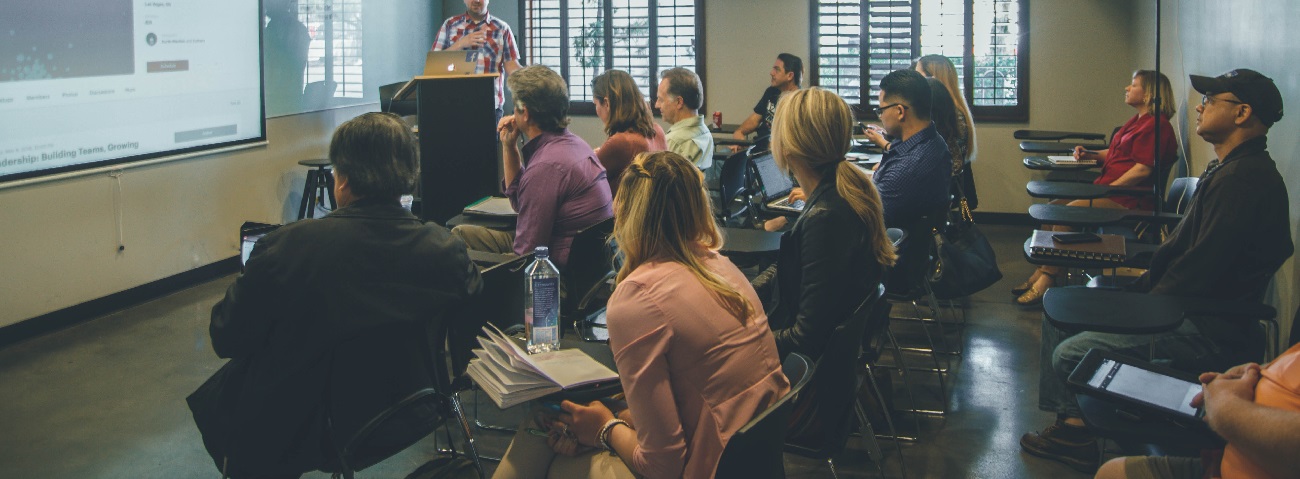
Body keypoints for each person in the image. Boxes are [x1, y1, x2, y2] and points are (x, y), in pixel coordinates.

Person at [1022, 68, 1292, 473]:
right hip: (1177, 302)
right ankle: (1073, 426)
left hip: (1203, 324)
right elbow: (1184, 256)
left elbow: (1200, 271)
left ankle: (1076, 433)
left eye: (1211, 100)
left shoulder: (1245, 181)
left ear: (1242, 113)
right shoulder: (1227, 170)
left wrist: (1136, 305)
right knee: (1058, 308)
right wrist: (1134, 295)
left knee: (1070, 352)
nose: (1199, 106)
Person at [187, 113, 482, 478]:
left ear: (340, 179)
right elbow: (470, 295)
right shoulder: (444, 249)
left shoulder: (288, 248)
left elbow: (226, 336)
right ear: (410, 176)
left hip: (308, 430)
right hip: (411, 408)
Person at [491, 151, 790, 479]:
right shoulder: (722, 267)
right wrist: (613, 421)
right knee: (554, 422)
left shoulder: (638, 299)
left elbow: (663, 466)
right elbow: (691, 401)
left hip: (707, 464)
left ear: (625, 215)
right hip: (743, 456)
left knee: (550, 444)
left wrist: (605, 428)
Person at [750, 87, 896, 361]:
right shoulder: (842, 192)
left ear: (788, 146)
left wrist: (741, 341)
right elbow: (792, 266)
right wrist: (743, 292)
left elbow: (805, 338)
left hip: (807, 376)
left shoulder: (826, 217)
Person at [1012, 70, 1179, 306]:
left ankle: (1048, 278)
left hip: (1127, 201)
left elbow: (1143, 169)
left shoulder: (1157, 127)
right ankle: (1041, 271)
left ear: (1150, 93)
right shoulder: (1138, 122)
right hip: (1112, 192)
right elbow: (1114, 153)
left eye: (1133, 85)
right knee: (1052, 210)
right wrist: (1088, 154)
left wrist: (1108, 189)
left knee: (1066, 214)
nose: (1127, 88)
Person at [452, 65, 613, 269]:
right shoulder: (575, 144)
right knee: (461, 234)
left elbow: (525, 255)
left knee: (459, 260)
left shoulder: (547, 167)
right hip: (584, 268)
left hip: (553, 277)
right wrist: (509, 147)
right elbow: (522, 203)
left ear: (525, 113)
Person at [1094, 343, 1300, 479]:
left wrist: (1224, 405)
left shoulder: (1225, 408)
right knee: (1112, 473)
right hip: (1231, 459)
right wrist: (1256, 373)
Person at [432, 0, 523, 120]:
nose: (476, 0)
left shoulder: (502, 28)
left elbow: (512, 67)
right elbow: (434, 64)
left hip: (490, 105)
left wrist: (535, 81)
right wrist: (460, 44)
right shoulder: (450, 25)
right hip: (453, 104)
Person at [914, 54, 979, 209]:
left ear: (932, 79)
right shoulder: (956, 108)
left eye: (918, 76)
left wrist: (885, 144)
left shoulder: (945, 114)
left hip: (941, 190)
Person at [591, 69, 667, 197]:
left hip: (624, 214)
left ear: (607, 103)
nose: (597, 110)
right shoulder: (657, 130)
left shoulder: (621, 142)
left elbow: (583, 180)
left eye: (596, 104)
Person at [731, 53, 803, 151]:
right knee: (722, 159)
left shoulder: (800, 102)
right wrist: (739, 135)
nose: (771, 73)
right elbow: (754, 120)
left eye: (777, 70)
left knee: (719, 163)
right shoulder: (772, 92)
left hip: (774, 155)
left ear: (790, 76)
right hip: (756, 148)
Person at [655, 67, 715, 172]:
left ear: (679, 102)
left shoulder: (674, 142)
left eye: (661, 100)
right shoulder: (705, 132)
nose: (656, 105)